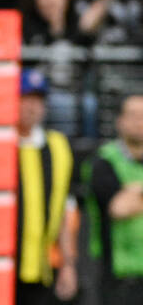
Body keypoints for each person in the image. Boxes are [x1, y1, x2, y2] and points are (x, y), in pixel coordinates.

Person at [17, 69, 78, 305]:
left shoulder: (58, 147)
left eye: (38, 100)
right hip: (0, 271)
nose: (32, 107)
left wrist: (68, 264)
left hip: (42, 269)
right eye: (25, 98)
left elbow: (65, 210)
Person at [85, 94, 143, 305]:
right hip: (117, 277)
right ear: (120, 122)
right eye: (133, 115)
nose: (139, 121)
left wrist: (136, 190)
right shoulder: (103, 160)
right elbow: (119, 208)